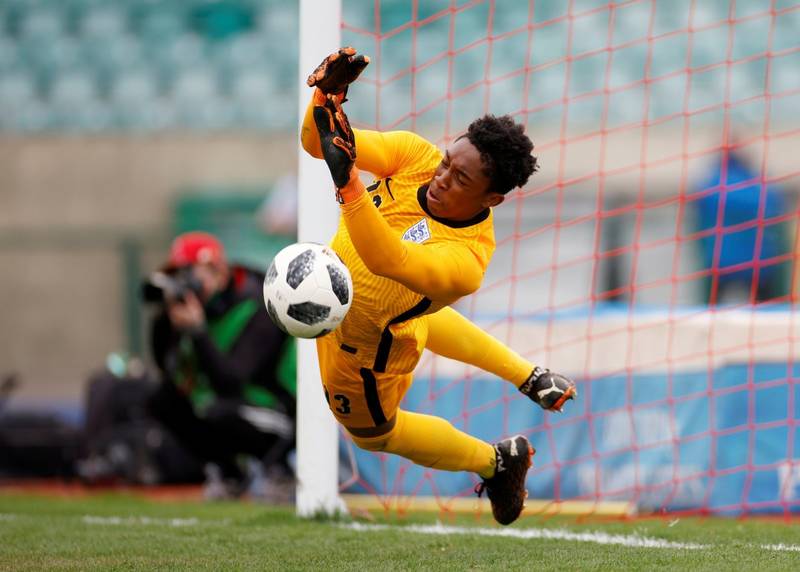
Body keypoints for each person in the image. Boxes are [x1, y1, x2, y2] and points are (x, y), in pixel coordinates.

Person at [300, 47, 577, 525]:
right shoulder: (416, 155)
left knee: (373, 435)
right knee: (416, 315)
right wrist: (327, 99)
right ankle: (527, 376)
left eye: (459, 177)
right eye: (448, 161)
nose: (440, 177)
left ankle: (496, 463)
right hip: (341, 301)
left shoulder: (467, 259)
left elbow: (386, 258)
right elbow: (315, 142)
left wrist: (348, 185)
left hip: (367, 352)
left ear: (491, 198)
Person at [145, 231, 296, 500]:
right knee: (162, 400)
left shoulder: (259, 302)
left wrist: (199, 331)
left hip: (284, 411)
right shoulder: (200, 308)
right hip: (234, 405)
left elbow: (232, 380)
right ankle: (230, 473)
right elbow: (165, 370)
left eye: (190, 272)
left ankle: (280, 472)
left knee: (219, 409)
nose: (184, 281)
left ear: (219, 271)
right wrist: (164, 321)